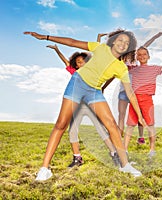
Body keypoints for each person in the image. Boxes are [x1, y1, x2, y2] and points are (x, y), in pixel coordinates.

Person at [24, 29, 147, 181]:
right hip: (78, 83)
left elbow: (130, 93)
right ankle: (45, 168)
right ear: (114, 40)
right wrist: (46, 37)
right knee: (61, 124)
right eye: (121, 40)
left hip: (94, 91)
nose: (123, 44)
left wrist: (140, 116)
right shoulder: (100, 48)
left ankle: (125, 165)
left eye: (127, 43)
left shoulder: (121, 68)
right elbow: (72, 42)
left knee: (112, 126)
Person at [46, 43, 120, 168]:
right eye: (79, 62)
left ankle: (114, 154)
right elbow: (65, 61)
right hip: (78, 107)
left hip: (91, 105)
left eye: (84, 61)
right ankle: (77, 158)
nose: (82, 64)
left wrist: (103, 87)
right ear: (76, 65)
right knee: (72, 131)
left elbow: (110, 73)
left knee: (101, 129)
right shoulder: (75, 73)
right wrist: (57, 50)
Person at [102, 32, 162, 146]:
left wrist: (155, 37)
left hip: (131, 92)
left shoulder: (130, 62)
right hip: (129, 92)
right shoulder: (126, 63)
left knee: (128, 116)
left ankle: (132, 139)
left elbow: (145, 46)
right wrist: (104, 86)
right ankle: (133, 138)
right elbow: (113, 75)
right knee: (132, 115)